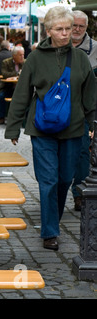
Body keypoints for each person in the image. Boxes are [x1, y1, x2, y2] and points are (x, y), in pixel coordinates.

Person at [4, 6, 96, 251]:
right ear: (48, 30)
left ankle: (51, 219)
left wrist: (93, 123)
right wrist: (13, 128)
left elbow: (90, 95)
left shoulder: (79, 59)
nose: (66, 34)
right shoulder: (35, 58)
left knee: (65, 178)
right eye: (60, 29)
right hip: (42, 129)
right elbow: (22, 93)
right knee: (48, 180)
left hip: (74, 128)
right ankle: (50, 232)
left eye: (68, 28)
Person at [70, 10, 97, 211]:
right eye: (74, 25)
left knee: (82, 153)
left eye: (81, 26)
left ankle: (79, 193)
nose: (77, 29)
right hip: (57, 110)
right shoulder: (58, 45)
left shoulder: (95, 49)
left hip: (84, 110)